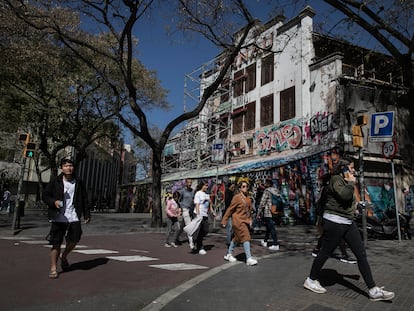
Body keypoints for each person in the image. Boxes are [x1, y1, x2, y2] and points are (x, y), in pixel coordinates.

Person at [304, 158, 395, 301]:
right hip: (335, 222)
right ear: (343, 169)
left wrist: (357, 207)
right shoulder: (336, 180)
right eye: (351, 168)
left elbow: (347, 202)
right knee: (325, 252)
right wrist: (351, 182)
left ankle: (373, 290)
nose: (353, 171)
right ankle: (311, 280)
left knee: (361, 254)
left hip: (347, 222)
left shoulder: (345, 182)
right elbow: (344, 195)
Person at [42, 158, 91, 279]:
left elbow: (84, 198)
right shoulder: (55, 181)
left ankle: (64, 256)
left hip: (73, 215)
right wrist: (54, 202)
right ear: (62, 168)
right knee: (56, 243)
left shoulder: (78, 182)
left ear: (73, 168)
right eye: (65, 166)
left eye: (70, 166)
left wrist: (86, 214)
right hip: (58, 217)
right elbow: (45, 196)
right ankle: (53, 268)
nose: (68, 168)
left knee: (75, 238)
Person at [312, 174, 356, 264]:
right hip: (328, 216)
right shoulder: (327, 190)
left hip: (326, 216)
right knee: (336, 236)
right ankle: (344, 255)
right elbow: (323, 204)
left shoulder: (326, 189)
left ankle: (317, 250)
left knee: (328, 235)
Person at [221, 180, 257, 266]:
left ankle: (228, 254)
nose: (245, 188)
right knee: (246, 237)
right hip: (238, 221)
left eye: (246, 186)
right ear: (240, 188)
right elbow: (230, 209)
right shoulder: (236, 197)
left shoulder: (248, 198)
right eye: (243, 186)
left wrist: (250, 219)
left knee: (236, 238)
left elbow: (249, 211)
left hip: (245, 220)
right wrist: (224, 220)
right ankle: (248, 258)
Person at [192, 180, 215, 255]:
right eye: (205, 185)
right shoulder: (198, 193)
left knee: (205, 230)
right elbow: (197, 205)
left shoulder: (207, 194)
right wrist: (198, 215)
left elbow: (210, 203)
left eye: (207, 185)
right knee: (199, 231)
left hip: (205, 215)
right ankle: (200, 247)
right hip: (198, 214)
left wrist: (212, 211)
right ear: (202, 186)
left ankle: (195, 240)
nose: (207, 187)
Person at [259, 179, 281, 251]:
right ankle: (265, 241)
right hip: (275, 211)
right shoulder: (276, 190)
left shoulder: (267, 191)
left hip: (268, 211)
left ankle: (275, 243)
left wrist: (259, 211)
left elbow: (262, 202)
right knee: (269, 227)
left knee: (271, 228)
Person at [178, 178, 195, 248]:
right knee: (189, 225)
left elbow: (193, 199)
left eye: (191, 182)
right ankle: (191, 242)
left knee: (182, 226)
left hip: (191, 209)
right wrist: (181, 207)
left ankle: (175, 238)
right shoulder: (183, 191)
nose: (190, 184)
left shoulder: (193, 191)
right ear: (186, 183)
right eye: (188, 183)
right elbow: (179, 200)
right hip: (185, 209)